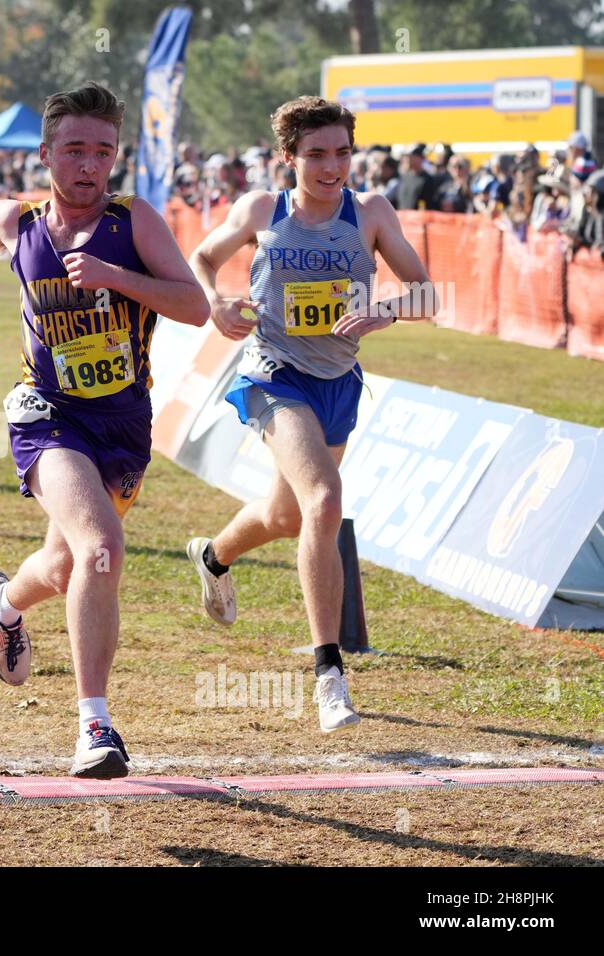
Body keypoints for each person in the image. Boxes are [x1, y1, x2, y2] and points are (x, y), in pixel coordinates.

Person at [0, 83, 209, 778]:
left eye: (103, 151)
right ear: (45, 153)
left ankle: (2, 602)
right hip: (47, 412)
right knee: (102, 547)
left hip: (123, 421)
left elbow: (194, 306)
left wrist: (117, 276)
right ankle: (95, 726)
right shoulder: (17, 221)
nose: (89, 165)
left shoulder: (133, 221)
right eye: (75, 149)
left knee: (65, 567)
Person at [185, 95, 437, 734]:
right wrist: (215, 301)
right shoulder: (261, 211)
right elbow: (202, 259)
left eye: (343, 153)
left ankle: (213, 557)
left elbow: (429, 293)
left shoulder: (371, 213)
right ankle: (330, 675)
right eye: (317, 154)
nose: (332, 167)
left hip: (338, 382)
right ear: (288, 157)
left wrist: (386, 310)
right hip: (274, 374)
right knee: (324, 500)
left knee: (286, 515)